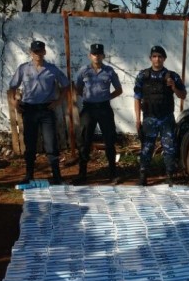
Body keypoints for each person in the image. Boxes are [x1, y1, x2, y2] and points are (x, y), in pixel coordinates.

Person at [8, 40, 70, 185]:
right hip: (29, 110)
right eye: (35, 52)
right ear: (31, 53)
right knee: (30, 144)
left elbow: (66, 85)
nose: (38, 54)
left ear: (44, 52)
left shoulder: (52, 69)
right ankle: (29, 175)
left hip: (46, 110)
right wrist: (14, 102)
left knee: (51, 144)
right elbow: (12, 86)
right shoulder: (23, 69)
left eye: (40, 51)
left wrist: (58, 101)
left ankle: (57, 176)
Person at [133, 45, 186, 186]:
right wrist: (137, 120)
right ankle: (143, 175)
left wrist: (173, 87)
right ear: (150, 58)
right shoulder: (143, 76)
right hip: (149, 118)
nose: (157, 59)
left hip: (166, 118)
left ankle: (169, 175)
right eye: (154, 56)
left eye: (160, 56)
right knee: (146, 147)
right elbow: (137, 98)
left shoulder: (172, 76)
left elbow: (183, 95)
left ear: (164, 58)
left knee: (169, 147)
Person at [72, 43, 123, 185]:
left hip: (104, 109)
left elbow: (119, 90)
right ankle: (82, 174)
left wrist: (106, 97)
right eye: (94, 54)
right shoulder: (84, 71)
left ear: (103, 56)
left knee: (109, 140)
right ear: (90, 56)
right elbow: (77, 88)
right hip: (88, 109)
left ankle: (112, 174)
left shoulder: (109, 71)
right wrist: (87, 96)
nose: (97, 56)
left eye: (99, 54)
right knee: (84, 140)